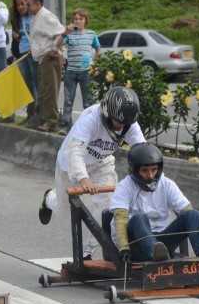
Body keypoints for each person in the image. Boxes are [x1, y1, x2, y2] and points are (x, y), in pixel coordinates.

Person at [38, 86, 146, 259]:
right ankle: (48, 199)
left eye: (125, 124)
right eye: (118, 123)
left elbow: (142, 150)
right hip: (71, 164)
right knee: (65, 210)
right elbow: (76, 151)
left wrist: (147, 174)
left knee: (108, 207)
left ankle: (87, 253)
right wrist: (83, 179)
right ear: (106, 113)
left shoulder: (128, 123)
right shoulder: (90, 119)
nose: (121, 128)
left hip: (101, 163)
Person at [109, 143, 199, 262]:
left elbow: (187, 210)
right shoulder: (124, 187)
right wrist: (124, 248)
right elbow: (120, 219)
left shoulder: (167, 184)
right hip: (137, 244)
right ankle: (154, 252)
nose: (151, 175)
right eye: (145, 171)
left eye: (154, 170)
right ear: (135, 170)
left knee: (192, 214)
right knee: (139, 218)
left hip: (162, 246)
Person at [27, 0, 65, 132]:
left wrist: (54, 48)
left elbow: (61, 32)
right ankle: (45, 119)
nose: (27, 7)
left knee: (50, 90)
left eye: (29, 4)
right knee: (44, 90)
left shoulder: (47, 16)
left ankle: (52, 121)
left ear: (38, 4)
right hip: (42, 59)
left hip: (50, 58)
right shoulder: (37, 17)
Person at [60, 8, 100, 134]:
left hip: (86, 71)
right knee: (68, 99)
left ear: (85, 21)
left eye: (80, 19)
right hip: (71, 71)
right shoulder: (69, 35)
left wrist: (94, 63)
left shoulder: (91, 34)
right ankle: (66, 125)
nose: (77, 21)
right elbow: (57, 45)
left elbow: (98, 49)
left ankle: (89, 127)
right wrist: (65, 32)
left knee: (88, 100)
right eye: (75, 19)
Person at [10, 0, 37, 125]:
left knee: (35, 84)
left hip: (33, 54)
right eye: (18, 5)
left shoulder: (34, 16)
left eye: (23, 3)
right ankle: (30, 114)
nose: (21, 7)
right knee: (27, 85)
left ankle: (36, 115)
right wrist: (16, 35)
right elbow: (20, 35)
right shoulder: (18, 19)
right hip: (23, 53)